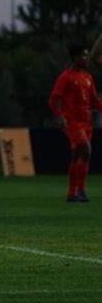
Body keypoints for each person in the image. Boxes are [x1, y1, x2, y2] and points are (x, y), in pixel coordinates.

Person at [48, 44, 102, 202]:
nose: (85, 58)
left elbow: (94, 101)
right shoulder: (66, 77)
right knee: (86, 150)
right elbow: (53, 99)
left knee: (78, 156)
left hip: (87, 122)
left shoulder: (88, 77)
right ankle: (82, 190)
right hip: (72, 122)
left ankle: (73, 193)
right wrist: (59, 116)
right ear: (74, 58)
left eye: (86, 55)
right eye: (82, 56)